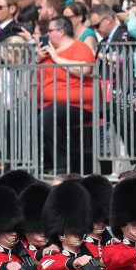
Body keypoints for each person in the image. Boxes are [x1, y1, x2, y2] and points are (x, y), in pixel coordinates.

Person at [37, 16, 97, 175]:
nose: (47, 34)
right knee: (21, 114)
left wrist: (57, 59)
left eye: (50, 31)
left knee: (49, 116)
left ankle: (62, 167)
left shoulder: (80, 47)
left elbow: (84, 70)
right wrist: (36, 60)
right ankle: (42, 165)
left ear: (61, 31)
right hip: (47, 104)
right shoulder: (46, 53)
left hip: (78, 106)